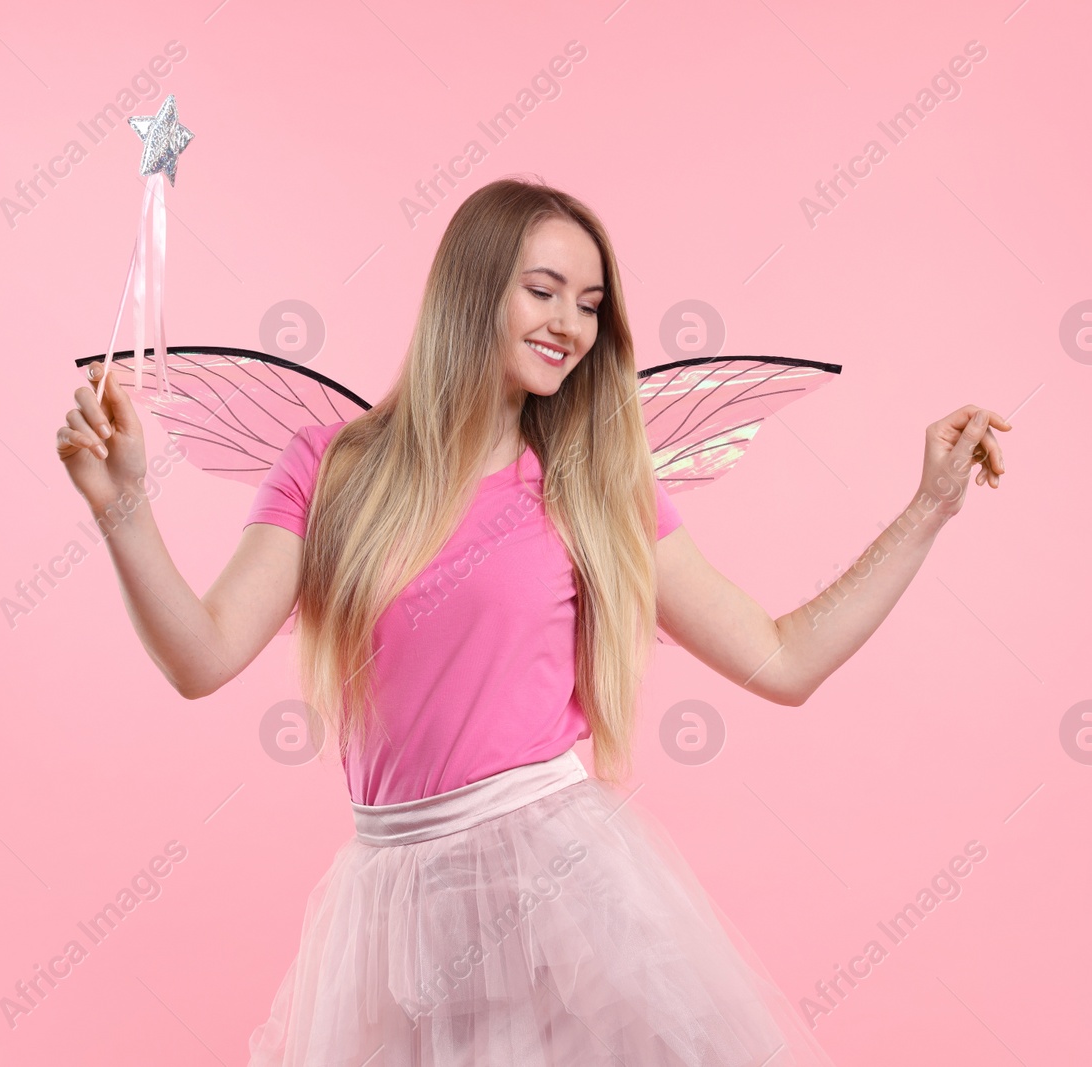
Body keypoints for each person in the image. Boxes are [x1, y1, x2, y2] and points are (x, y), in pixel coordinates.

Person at [55, 177, 1009, 1065]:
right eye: (545, 291)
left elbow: (782, 656)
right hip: (388, 901)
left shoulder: (592, 486)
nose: (571, 325)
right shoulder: (332, 466)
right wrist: (122, 509)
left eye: (591, 304)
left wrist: (925, 509)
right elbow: (202, 653)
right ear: (471, 293)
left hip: (551, 887)